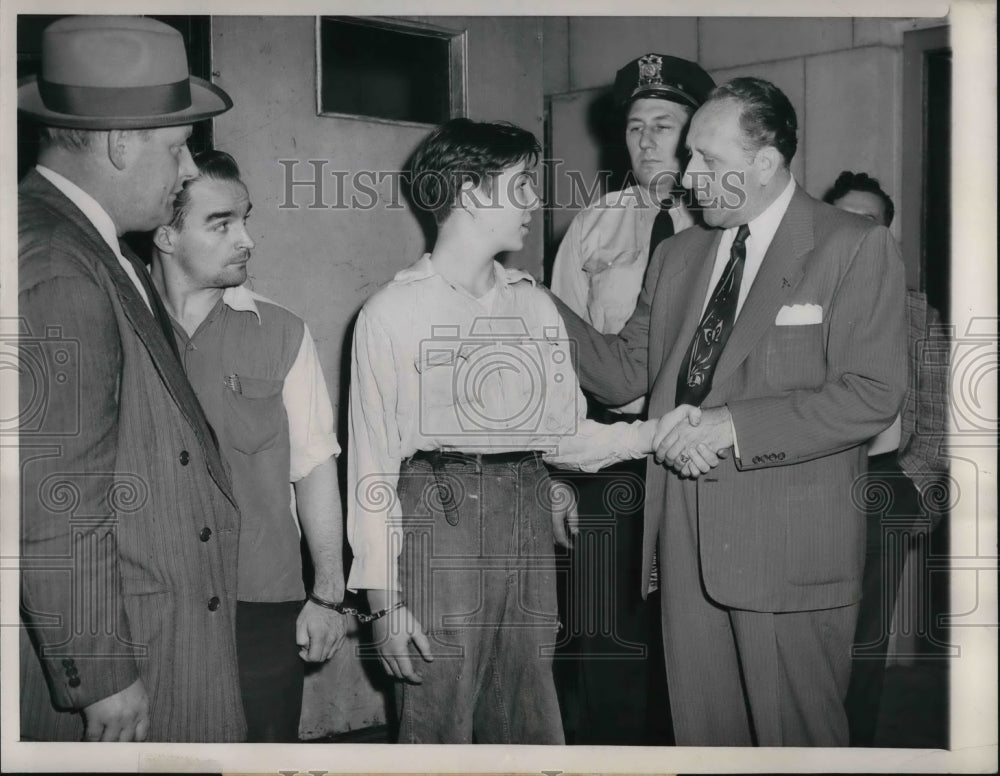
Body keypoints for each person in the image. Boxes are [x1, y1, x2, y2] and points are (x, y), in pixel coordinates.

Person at [550, 77, 908, 746]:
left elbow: (871, 393)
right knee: (705, 739)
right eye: (689, 156)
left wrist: (733, 426)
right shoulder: (677, 255)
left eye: (707, 160)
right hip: (683, 542)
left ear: (766, 163)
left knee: (795, 741)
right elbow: (628, 371)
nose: (687, 176)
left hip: (788, 547)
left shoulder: (851, 246)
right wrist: (541, 308)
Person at [346, 118, 698, 744]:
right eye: (521, 184)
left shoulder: (533, 305)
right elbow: (372, 469)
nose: (536, 200)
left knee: (530, 713)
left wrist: (653, 433)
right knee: (439, 719)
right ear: (473, 193)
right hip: (438, 524)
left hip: (526, 516)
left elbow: (563, 437)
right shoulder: (392, 313)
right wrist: (384, 604)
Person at [17, 16, 245, 741]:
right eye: (177, 148)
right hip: (134, 650)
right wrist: (104, 675)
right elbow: (53, 491)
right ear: (120, 143)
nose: (185, 172)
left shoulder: (86, 245)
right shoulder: (56, 263)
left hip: (159, 621)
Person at [149, 150, 348, 742]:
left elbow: (314, 468)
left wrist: (329, 596)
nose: (248, 239)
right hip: (153, 603)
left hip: (262, 601)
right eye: (222, 222)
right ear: (165, 233)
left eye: (247, 218)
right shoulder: (125, 328)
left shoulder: (282, 331)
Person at [549, 52, 714, 745]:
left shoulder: (728, 225)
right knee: (603, 633)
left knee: (693, 634)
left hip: (702, 453)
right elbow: (552, 354)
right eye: (636, 126)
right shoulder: (596, 224)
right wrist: (554, 474)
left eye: (666, 125)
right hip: (608, 457)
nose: (647, 141)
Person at [824, 171, 950, 746]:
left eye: (868, 221)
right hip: (803, 487)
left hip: (881, 488)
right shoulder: (793, 303)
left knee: (864, 644)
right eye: (842, 218)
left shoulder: (917, 313)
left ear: (887, 237)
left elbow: (938, 416)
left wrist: (915, 495)